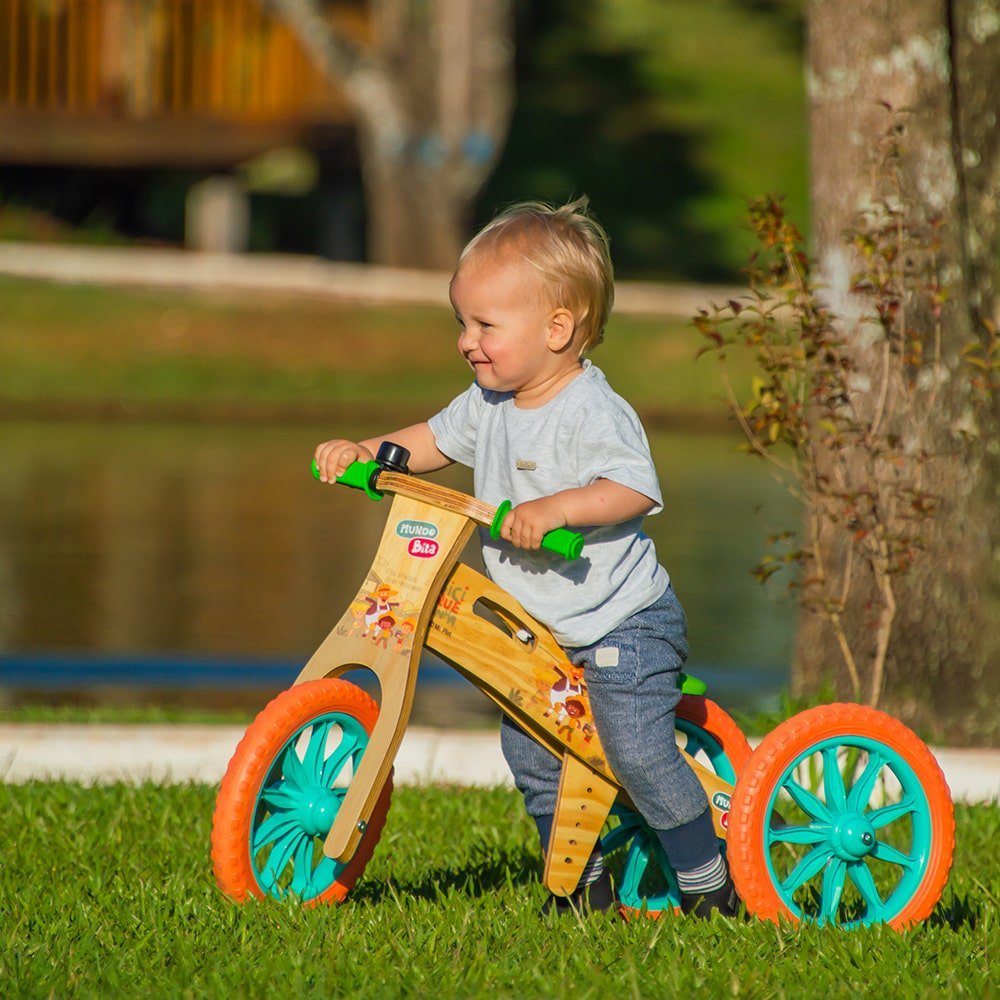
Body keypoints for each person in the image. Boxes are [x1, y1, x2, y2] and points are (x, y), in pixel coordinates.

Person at [314, 198, 737, 919]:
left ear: (557, 329)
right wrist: (369, 453)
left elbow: (632, 489)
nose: (466, 342)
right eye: (462, 323)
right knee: (534, 752)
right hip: (534, 626)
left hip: (620, 623)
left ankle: (708, 881)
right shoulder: (489, 400)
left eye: (484, 325)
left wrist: (557, 509)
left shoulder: (591, 409)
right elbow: (433, 441)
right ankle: (579, 888)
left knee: (633, 748)